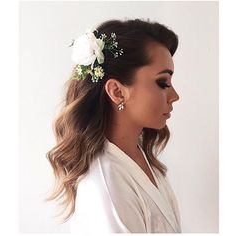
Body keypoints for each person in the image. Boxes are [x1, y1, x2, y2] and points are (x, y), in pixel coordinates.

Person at [46, 18, 181, 233]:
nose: (175, 96)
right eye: (163, 83)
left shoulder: (141, 158)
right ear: (117, 91)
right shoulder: (109, 185)